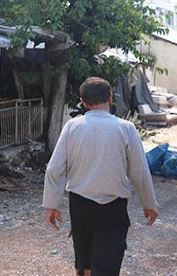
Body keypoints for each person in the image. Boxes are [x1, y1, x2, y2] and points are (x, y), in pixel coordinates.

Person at [42, 77, 158, 276]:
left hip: (80, 205)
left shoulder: (72, 126)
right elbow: (139, 171)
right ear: (110, 98)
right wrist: (149, 203)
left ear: (83, 102)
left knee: (85, 264)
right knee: (107, 265)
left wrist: (51, 204)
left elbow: (54, 168)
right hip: (113, 207)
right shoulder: (126, 128)